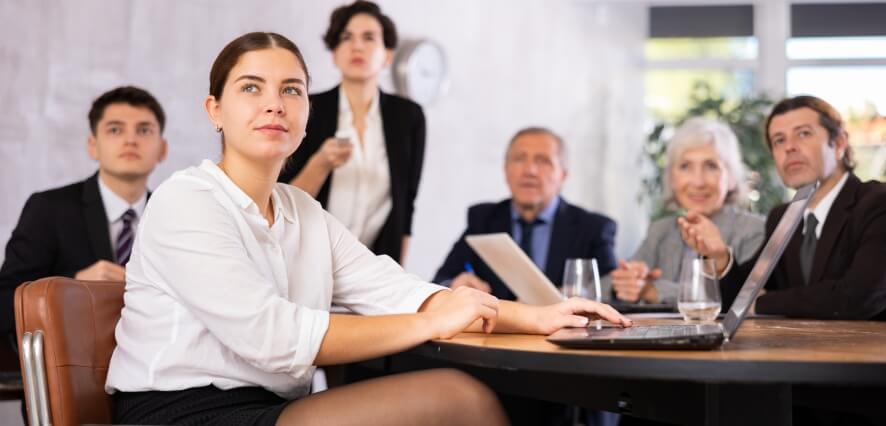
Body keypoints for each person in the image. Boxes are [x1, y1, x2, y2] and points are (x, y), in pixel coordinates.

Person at [105, 32, 632, 425]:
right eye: (251, 87)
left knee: (464, 394)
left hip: (275, 407)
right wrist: (430, 324)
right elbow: (274, 337)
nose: (274, 103)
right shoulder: (185, 200)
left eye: (292, 89)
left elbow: (400, 292)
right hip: (181, 413)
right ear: (214, 110)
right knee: (460, 399)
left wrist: (539, 316)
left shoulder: (302, 211)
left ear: (308, 113)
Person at [679, 95, 886, 321]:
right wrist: (720, 257)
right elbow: (742, 297)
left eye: (803, 133)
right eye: (779, 140)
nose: (790, 147)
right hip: (801, 352)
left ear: (839, 144)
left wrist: (764, 303)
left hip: (872, 352)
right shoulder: (782, 217)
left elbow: (858, 297)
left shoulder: (883, 205)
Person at [0, 85, 168, 348]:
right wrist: (71, 287)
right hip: (75, 367)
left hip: (158, 367)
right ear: (93, 146)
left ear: (162, 149)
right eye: (115, 129)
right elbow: (5, 303)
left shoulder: (176, 216)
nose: (131, 140)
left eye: (144, 130)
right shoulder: (48, 209)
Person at [279, 0, 424, 265]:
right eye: (346, 38)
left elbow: (407, 206)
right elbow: (279, 202)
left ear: (387, 54)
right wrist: (320, 164)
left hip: (376, 266)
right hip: (309, 260)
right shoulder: (307, 109)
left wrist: (397, 276)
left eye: (369, 38)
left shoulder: (409, 117)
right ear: (334, 53)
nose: (357, 46)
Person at [433, 127, 617, 301]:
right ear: (505, 170)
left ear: (563, 175)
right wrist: (454, 285)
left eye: (543, 161)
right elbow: (440, 280)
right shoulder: (483, 220)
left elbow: (613, 292)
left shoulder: (592, 228)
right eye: (520, 159)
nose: (530, 171)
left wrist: (575, 295)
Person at [610, 118, 764, 305]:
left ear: (731, 178)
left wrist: (653, 289)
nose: (698, 182)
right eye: (685, 167)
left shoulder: (754, 230)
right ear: (672, 178)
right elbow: (604, 284)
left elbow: (744, 298)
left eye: (711, 166)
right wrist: (627, 282)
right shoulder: (660, 231)